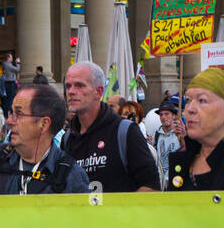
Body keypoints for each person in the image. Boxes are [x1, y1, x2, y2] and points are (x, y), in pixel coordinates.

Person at [62, 62, 160, 191]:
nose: (71, 92)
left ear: (99, 92)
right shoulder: (67, 138)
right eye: (68, 86)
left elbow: (151, 186)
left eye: (79, 86)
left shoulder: (126, 132)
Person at [153, 96, 183, 190]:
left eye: (166, 114)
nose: (163, 117)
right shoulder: (157, 134)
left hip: (176, 180)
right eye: (161, 114)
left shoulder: (179, 133)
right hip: (160, 182)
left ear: (173, 116)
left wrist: (183, 138)